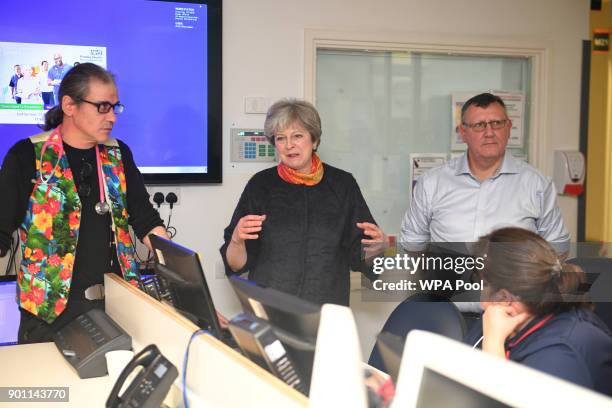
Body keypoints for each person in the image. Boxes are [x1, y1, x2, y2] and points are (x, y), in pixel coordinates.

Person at [0, 63, 168, 343]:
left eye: (115, 107)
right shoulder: (28, 155)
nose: (112, 117)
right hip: (49, 316)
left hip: (118, 307)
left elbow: (146, 219)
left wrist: (184, 278)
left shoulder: (118, 154)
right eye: (102, 106)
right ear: (69, 105)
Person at [220, 99, 384, 306]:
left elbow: (361, 257)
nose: (289, 145)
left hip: (326, 310)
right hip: (270, 309)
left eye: (297, 136)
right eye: (281, 138)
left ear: (314, 140)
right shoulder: (260, 185)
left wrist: (377, 249)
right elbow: (236, 265)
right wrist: (236, 240)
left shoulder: (343, 185)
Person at [400, 93, 569, 253]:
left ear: (509, 127)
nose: (489, 133)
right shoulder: (432, 183)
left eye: (497, 123)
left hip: (513, 284)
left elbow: (557, 249)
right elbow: (412, 245)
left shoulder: (537, 184)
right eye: (479, 125)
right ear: (463, 133)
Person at [464, 227, 612, 396]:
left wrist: (493, 346)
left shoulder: (560, 354)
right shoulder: (498, 321)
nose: (483, 303)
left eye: (483, 286)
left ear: (506, 298)